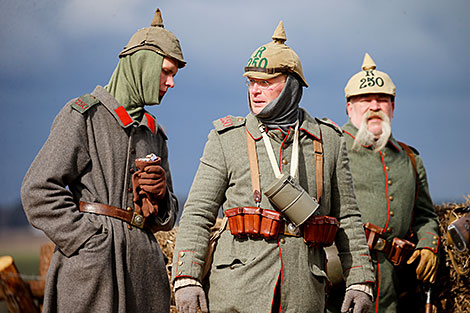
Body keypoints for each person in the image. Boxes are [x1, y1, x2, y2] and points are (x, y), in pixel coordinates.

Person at [171, 22, 375, 313]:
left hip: (304, 295)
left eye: (266, 83)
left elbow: (349, 217)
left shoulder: (328, 140)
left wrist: (360, 281)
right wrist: (186, 278)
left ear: (291, 84)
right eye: (251, 82)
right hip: (237, 294)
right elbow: (197, 213)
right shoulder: (226, 139)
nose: (255, 91)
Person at [20, 8, 185, 313]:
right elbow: (38, 191)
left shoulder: (154, 133)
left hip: (144, 280)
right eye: (166, 71)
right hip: (92, 276)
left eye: (174, 74)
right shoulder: (83, 116)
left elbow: (169, 214)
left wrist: (161, 200)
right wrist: (89, 241)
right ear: (142, 65)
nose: (171, 82)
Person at [340, 53, 439, 313]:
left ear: (392, 107)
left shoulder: (409, 158)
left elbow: (426, 216)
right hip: (340, 281)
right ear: (350, 107)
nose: (374, 106)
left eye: (382, 100)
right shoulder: (331, 148)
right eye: (365, 100)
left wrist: (428, 244)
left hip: (395, 288)